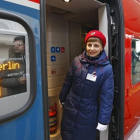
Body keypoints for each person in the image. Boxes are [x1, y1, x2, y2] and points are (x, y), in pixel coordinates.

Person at [59, 30, 114, 140]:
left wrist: (104, 120)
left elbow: (107, 96)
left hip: (88, 113)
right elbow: (68, 81)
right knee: (66, 134)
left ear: (102, 48)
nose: (92, 48)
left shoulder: (106, 69)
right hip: (70, 107)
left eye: (96, 45)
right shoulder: (76, 61)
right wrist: (62, 98)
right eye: (89, 45)